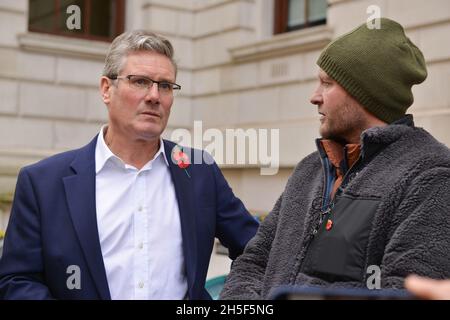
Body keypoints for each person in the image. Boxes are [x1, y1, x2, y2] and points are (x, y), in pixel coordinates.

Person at [0, 31, 258, 300]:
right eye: (140, 81)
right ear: (106, 89)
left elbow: (259, 252)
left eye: (166, 86)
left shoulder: (199, 171)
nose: (154, 96)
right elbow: (17, 280)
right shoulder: (42, 183)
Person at [220, 18, 450, 300]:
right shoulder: (309, 170)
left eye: (326, 83)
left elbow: (406, 291)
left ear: (365, 93)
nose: (314, 97)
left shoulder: (431, 175)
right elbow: (253, 261)